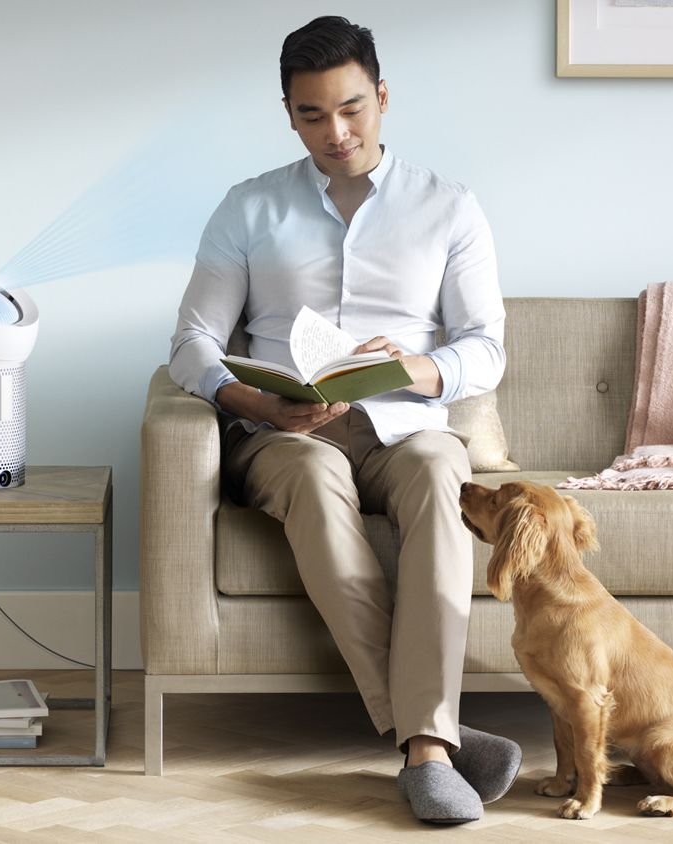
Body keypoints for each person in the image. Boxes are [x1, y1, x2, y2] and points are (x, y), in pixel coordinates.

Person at [167, 16, 521, 824]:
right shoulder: (248, 208)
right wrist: (257, 404)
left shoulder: (449, 207)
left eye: (352, 108)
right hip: (287, 435)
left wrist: (417, 366)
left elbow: (486, 347)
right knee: (314, 471)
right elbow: (191, 342)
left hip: (404, 424)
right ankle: (432, 744)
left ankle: (424, 744)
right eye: (313, 115)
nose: (337, 132)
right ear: (289, 114)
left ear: (383, 97)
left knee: (440, 470)